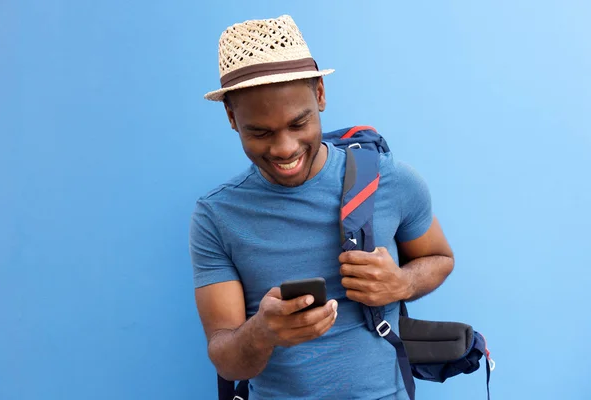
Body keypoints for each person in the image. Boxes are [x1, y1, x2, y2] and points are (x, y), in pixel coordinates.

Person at [190, 14, 454, 400]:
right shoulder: (216, 216)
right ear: (232, 117)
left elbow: (440, 259)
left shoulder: (390, 179)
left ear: (320, 94)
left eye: (299, 123)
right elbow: (228, 362)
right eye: (260, 132)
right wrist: (263, 332)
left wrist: (402, 283)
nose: (284, 148)